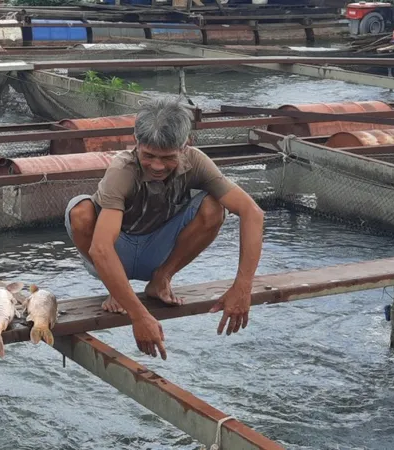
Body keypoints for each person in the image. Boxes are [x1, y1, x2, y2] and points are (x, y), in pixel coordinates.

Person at [64, 97, 265, 360]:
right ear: (136, 143)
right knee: (80, 211)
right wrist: (139, 316)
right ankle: (116, 288)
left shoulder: (197, 162)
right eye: (149, 156)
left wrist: (242, 287)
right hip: (115, 253)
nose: (157, 166)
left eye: (168, 158)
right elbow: (101, 249)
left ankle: (161, 279)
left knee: (214, 207)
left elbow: (252, 212)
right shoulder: (122, 170)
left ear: (185, 146)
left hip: (157, 250)